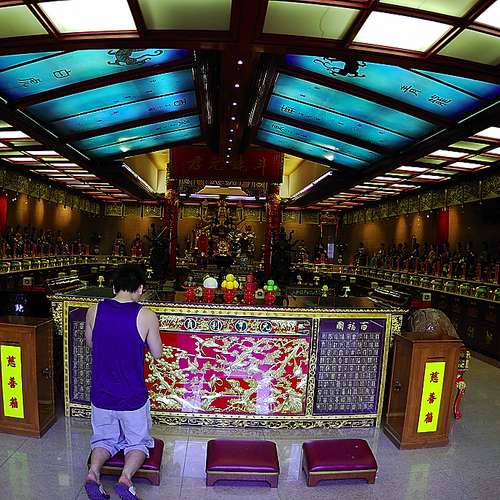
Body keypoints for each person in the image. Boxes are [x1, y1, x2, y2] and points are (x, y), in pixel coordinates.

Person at [84, 264, 162, 500]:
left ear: (114, 287)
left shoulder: (94, 310)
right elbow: (157, 353)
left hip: (101, 392)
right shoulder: (146, 315)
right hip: (132, 395)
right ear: (140, 288)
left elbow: (91, 343)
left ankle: (93, 473)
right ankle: (126, 478)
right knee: (138, 444)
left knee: (103, 440)